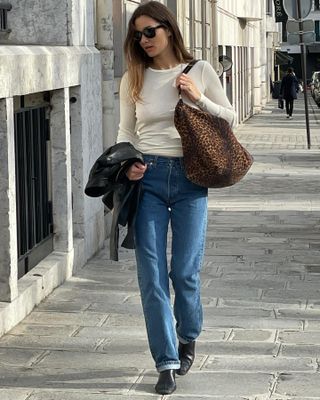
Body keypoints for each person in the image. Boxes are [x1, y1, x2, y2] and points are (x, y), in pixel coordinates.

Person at [116, 1, 235, 395]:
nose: (144, 40)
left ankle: (189, 333)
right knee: (151, 276)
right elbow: (126, 132)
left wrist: (198, 97)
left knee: (183, 272)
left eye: (151, 31)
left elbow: (228, 117)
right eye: (138, 34)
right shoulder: (134, 76)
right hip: (147, 179)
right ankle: (165, 361)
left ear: (169, 29)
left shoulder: (199, 70)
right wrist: (130, 164)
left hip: (189, 179)